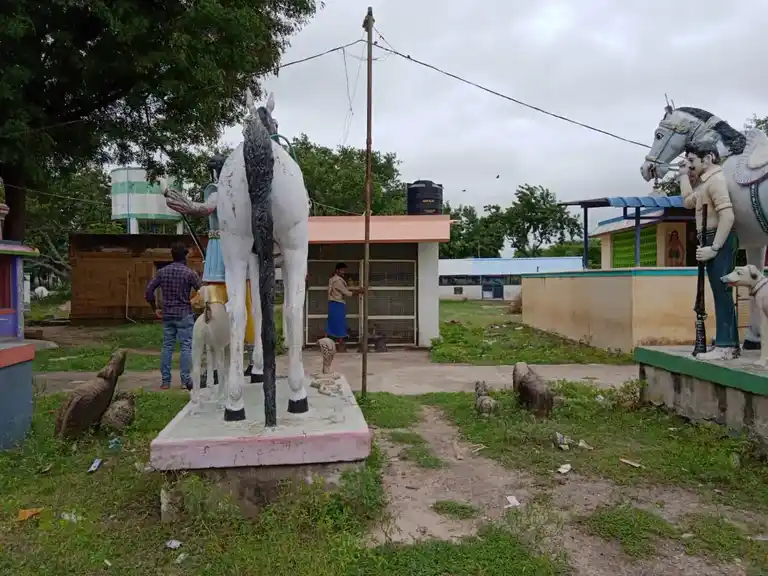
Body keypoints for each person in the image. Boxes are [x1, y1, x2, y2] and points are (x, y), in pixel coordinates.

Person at [679, 144, 739, 360]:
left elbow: (728, 216)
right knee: (718, 290)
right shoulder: (706, 184)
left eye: (693, 160)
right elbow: (687, 202)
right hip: (709, 238)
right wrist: (683, 175)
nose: (691, 165)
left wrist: (714, 248)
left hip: (718, 238)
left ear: (709, 158)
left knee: (722, 290)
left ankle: (726, 345)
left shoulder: (716, 182)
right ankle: (727, 341)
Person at [145, 242, 202, 389]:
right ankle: (185, 381)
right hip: (184, 314)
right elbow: (202, 291)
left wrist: (155, 309)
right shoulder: (189, 273)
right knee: (186, 347)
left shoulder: (162, 272)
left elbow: (149, 292)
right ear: (185, 256)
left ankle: (165, 382)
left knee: (167, 347)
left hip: (168, 314)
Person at [326, 262, 363, 348]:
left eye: (344, 270)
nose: (343, 272)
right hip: (337, 303)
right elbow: (346, 292)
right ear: (337, 270)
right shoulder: (337, 281)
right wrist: (359, 292)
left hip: (333, 303)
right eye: (342, 270)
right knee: (339, 324)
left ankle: (332, 343)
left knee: (333, 323)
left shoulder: (333, 279)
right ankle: (340, 344)